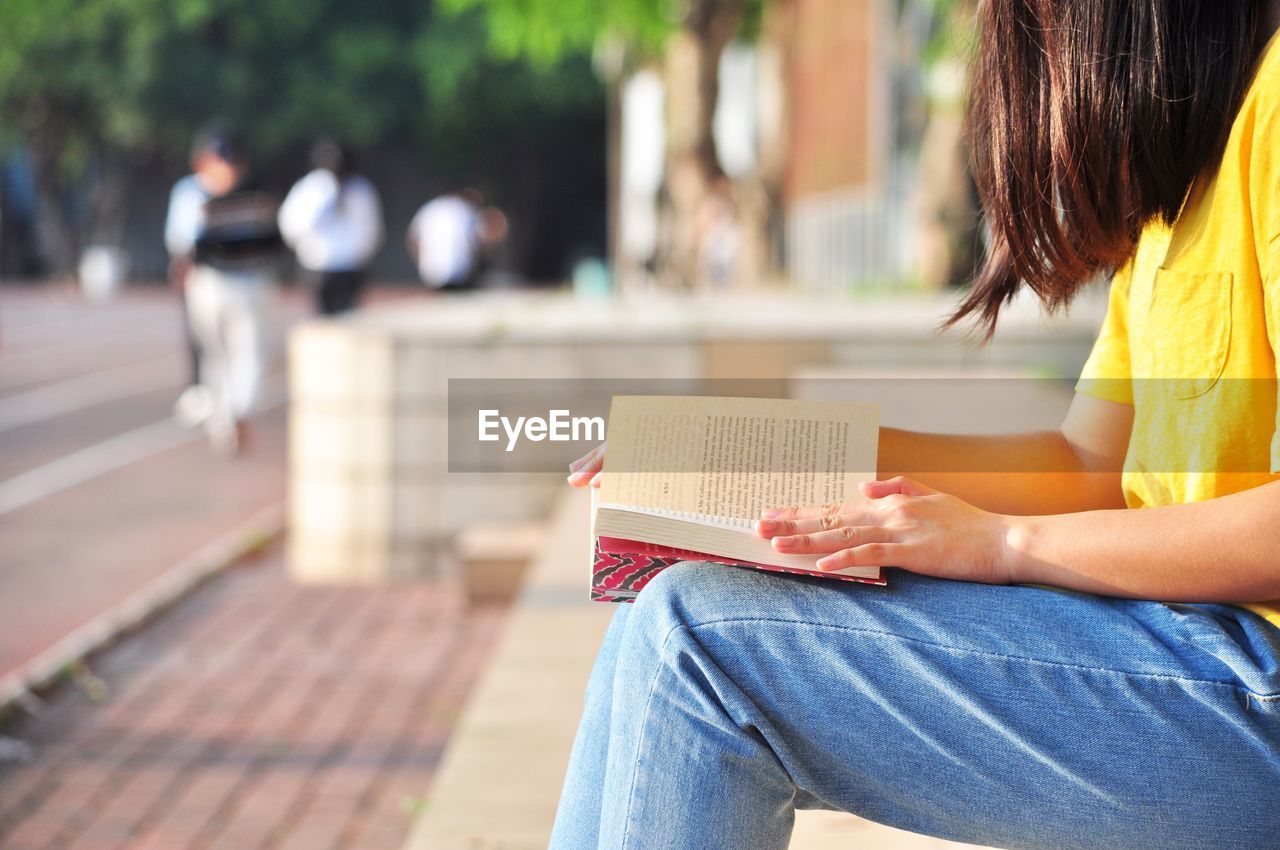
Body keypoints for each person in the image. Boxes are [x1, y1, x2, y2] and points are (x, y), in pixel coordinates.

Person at [553, 2, 1280, 848]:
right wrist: (772, 453)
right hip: (1183, 646)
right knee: (654, 620)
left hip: (1249, 681)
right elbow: (1090, 465)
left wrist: (1003, 545)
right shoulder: (1189, 172)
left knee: (700, 643)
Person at [166, 127, 282, 456]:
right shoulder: (200, 194)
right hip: (227, 284)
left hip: (230, 284)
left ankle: (230, 417)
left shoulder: (251, 194)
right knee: (234, 355)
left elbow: (182, 244)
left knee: (232, 355)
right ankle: (232, 416)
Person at [278, 139, 383, 315]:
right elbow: (293, 224)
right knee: (322, 320)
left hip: (347, 267)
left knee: (347, 320)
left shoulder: (358, 189)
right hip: (319, 266)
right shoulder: (313, 187)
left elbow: (371, 230)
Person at [406, 188, 505, 291]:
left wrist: (421, 262)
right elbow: (482, 239)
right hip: (460, 274)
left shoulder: (430, 207)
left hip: (431, 273)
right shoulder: (466, 209)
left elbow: (413, 238)